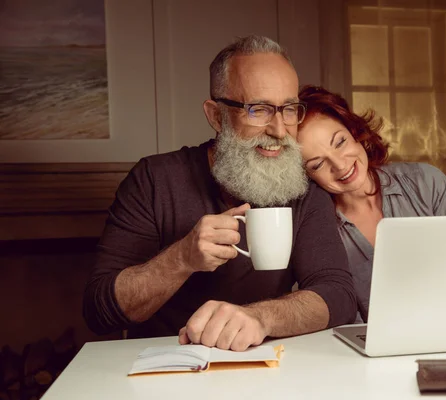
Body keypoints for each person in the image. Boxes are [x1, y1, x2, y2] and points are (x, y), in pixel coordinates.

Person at [83, 37, 357, 351]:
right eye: (258, 110)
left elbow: (338, 294)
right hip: (167, 368)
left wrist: (261, 318)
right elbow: (99, 312)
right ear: (216, 116)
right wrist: (182, 258)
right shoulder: (154, 180)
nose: (280, 131)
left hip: (267, 370)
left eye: (289, 109)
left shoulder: (303, 188)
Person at [296, 85, 446, 323]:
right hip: (365, 355)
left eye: (340, 142)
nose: (340, 165)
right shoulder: (314, 230)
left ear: (354, 132)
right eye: (317, 164)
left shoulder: (427, 183)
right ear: (306, 176)